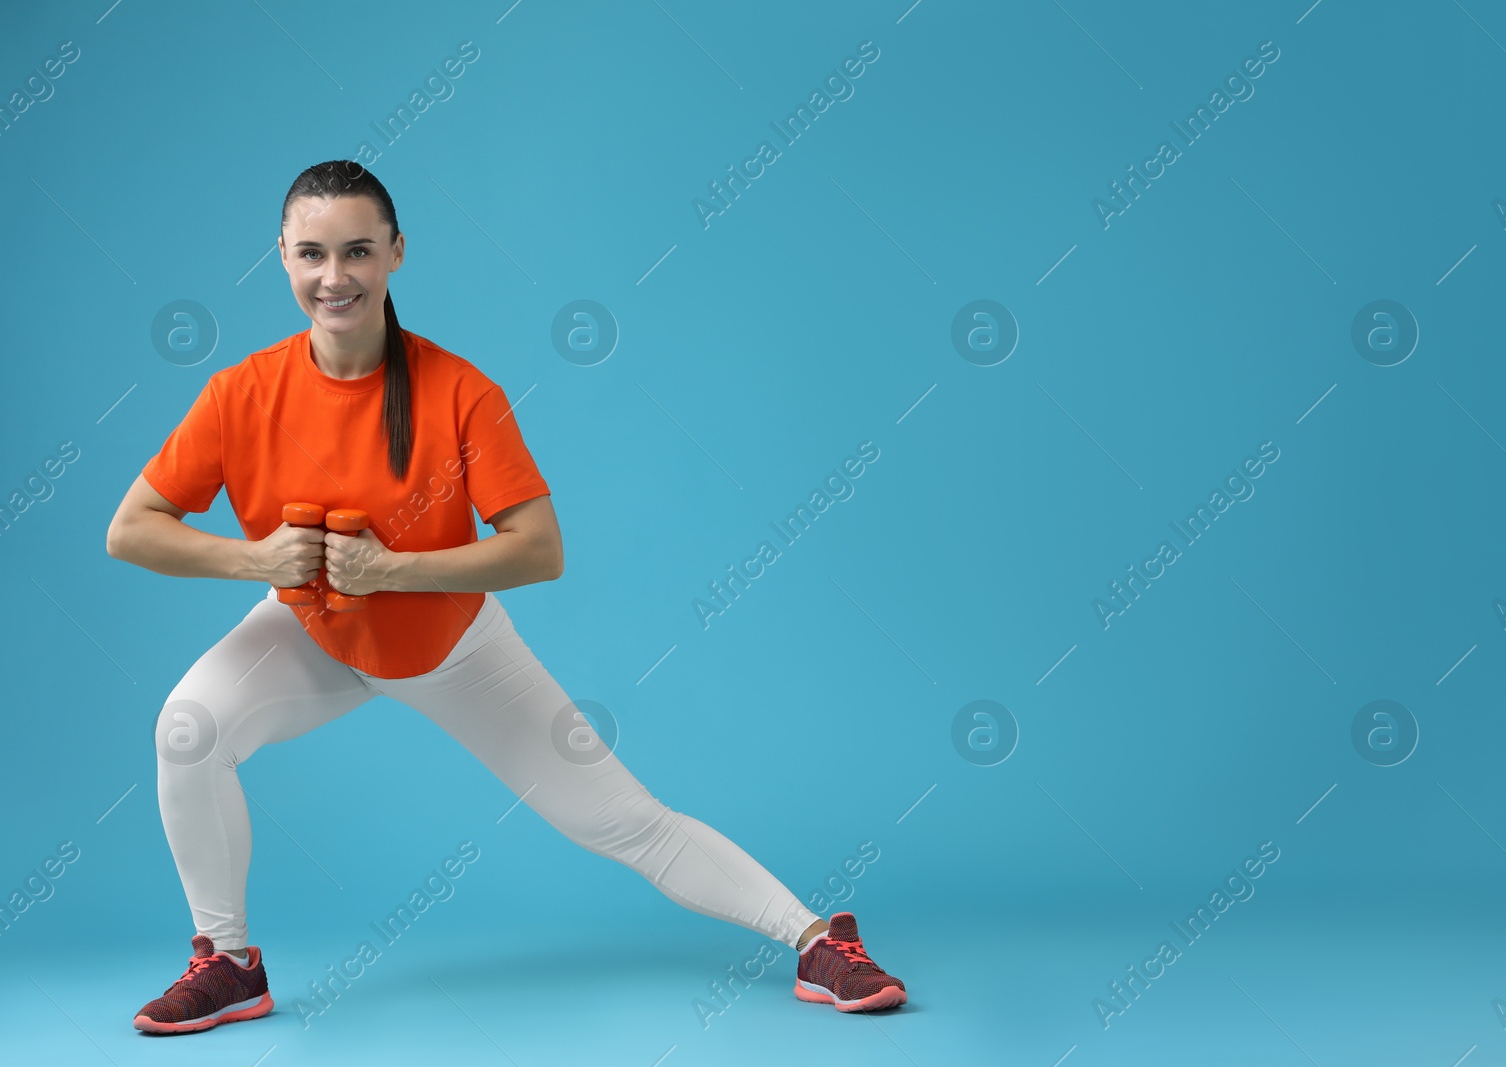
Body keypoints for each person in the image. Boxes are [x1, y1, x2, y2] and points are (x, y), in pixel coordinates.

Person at [106, 161, 906, 1034]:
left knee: (624, 822)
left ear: (397, 254)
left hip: (454, 648)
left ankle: (820, 940)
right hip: (316, 638)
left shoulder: (460, 392)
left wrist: (394, 571)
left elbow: (540, 550)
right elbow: (133, 528)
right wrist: (253, 557)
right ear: (282, 258)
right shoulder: (240, 393)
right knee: (187, 728)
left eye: (358, 251)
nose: (334, 277)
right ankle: (228, 963)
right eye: (312, 254)